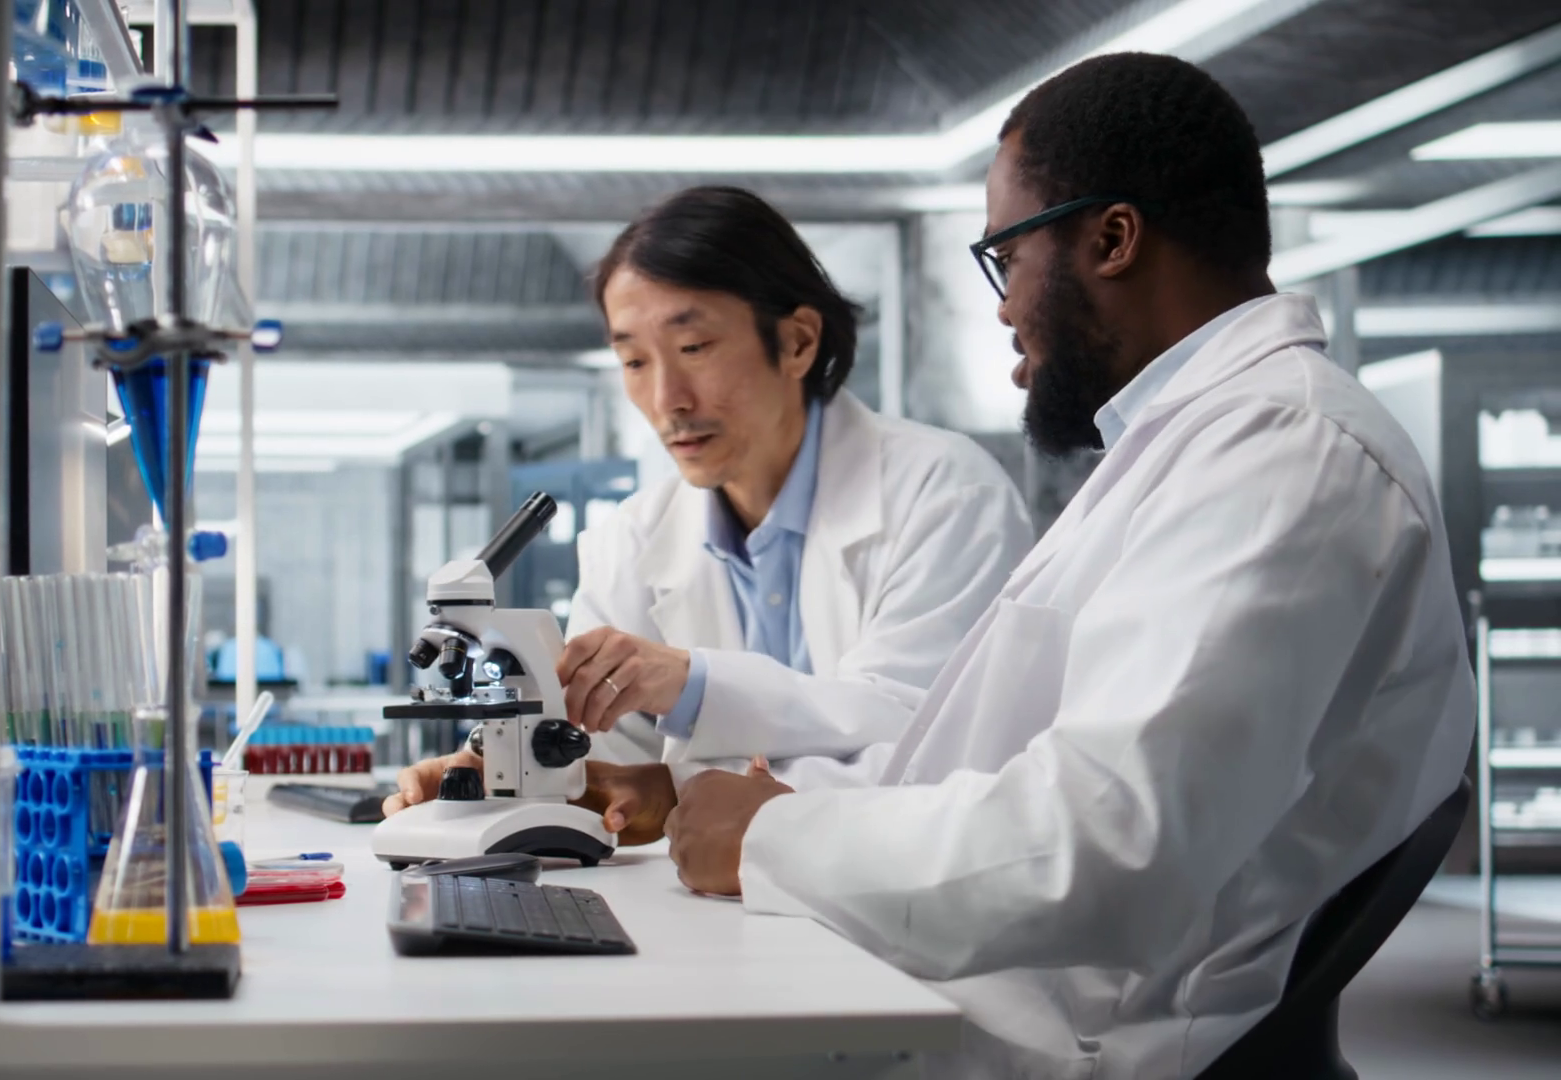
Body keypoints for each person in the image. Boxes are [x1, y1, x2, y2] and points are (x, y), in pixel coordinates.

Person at [661, 54, 1476, 1078]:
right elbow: (986, 766)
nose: (1004, 308)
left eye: (1006, 256)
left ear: (1112, 239)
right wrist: (774, 803)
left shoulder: (1285, 453)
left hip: (1069, 1042)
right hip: (991, 993)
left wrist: (773, 839)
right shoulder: (1190, 444)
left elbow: (1104, 842)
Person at [385, 186, 1032, 830]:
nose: (667, 398)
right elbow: (602, 757)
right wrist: (506, 778)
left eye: (693, 348)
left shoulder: (945, 495)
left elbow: (928, 745)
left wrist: (691, 688)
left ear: (798, 342)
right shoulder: (632, 539)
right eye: (634, 361)